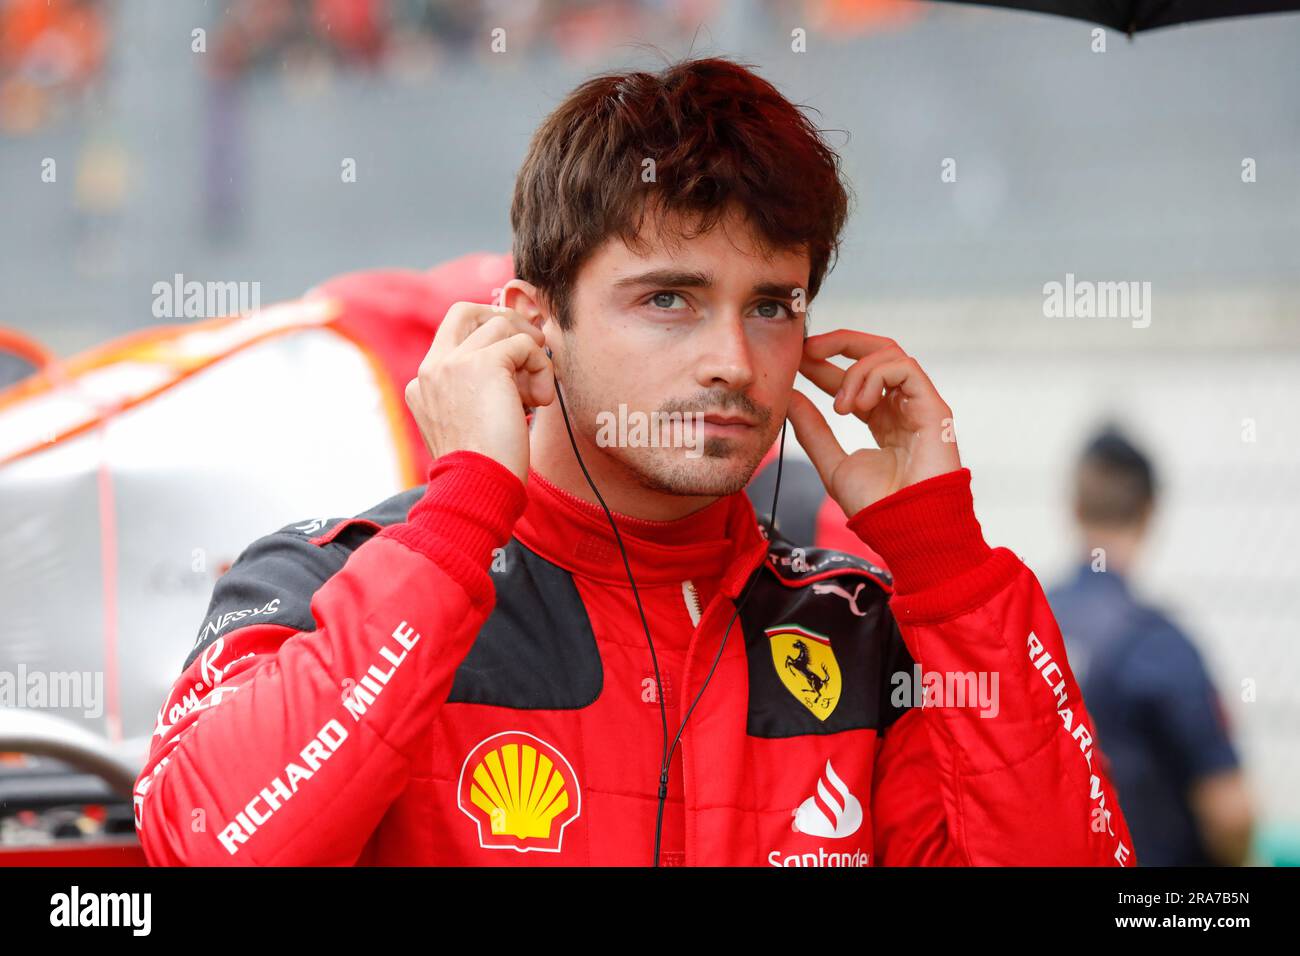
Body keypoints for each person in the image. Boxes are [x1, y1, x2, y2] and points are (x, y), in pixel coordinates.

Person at [133, 57, 1134, 866]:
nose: (734, 363)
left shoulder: (865, 631)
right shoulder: (325, 581)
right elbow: (209, 843)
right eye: (669, 299)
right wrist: (460, 515)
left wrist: (948, 565)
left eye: (771, 305)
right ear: (534, 326)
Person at [1048, 428, 1254, 866]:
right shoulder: (1159, 644)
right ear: (1149, 512)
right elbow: (1231, 811)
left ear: (1075, 508)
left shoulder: (1029, 625)